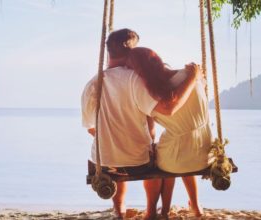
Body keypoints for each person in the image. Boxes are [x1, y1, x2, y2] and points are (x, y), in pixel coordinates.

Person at [81, 29, 201, 219]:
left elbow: (90, 126)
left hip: (103, 164)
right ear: (130, 51)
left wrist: (112, 138)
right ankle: (152, 211)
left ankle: (119, 210)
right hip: (138, 163)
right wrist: (192, 77)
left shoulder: (93, 83)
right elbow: (165, 110)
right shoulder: (135, 81)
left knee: (117, 158)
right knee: (158, 161)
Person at [126, 47, 212, 218]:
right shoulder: (193, 74)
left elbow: (151, 132)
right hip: (206, 153)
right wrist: (194, 76)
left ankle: (161, 211)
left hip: (177, 158)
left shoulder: (151, 97)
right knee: (178, 147)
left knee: (163, 158)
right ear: (158, 58)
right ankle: (195, 205)